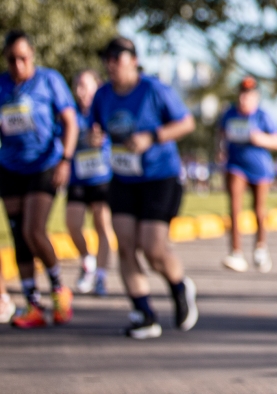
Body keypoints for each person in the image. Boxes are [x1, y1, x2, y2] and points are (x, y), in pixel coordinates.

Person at [91, 36, 198, 339]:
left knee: (152, 248)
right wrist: (94, 137)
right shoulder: (102, 95)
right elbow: (95, 128)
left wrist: (152, 137)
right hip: (123, 178)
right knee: (125, 245)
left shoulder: (154, 89)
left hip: (160, 177)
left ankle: (179, 286)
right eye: (107, 58)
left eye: (117, 57)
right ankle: (144, 313)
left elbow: (186, 123)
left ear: (134, 60)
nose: (111, 64)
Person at [0, 30, 79, 329]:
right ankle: (32, 304)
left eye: (23, 58)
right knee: (18, 235)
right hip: (10, 166)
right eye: (11, 59)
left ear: (32, 55)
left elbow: (70, 121)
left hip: (45, 164)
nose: (18, 65)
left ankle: (59, 289)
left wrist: (66, 159)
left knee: (34, 229)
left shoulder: (49, 80)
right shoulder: (2, 85)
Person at [219, 77, 277, 273]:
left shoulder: (263, 116)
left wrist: (261, 139)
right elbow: (221, 135)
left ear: (256, 96)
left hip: (260, 168)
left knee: (259, 210)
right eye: (242, 94)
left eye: (248, 95)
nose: (244, 98)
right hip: (236, 165)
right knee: (234, 207)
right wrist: (220, 150)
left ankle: (260, 248)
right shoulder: (229, 114)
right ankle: (236, 252)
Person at [66, 69, 115, 296]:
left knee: (102, 225)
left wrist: (103, 138)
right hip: (78, 178)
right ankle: (88, 261)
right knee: (73, 224)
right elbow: (61, 137)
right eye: (78, 86)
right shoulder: (71, 114)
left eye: (86, 86)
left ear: (98, 87)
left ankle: (101, 277)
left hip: (103, 177)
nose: (81, 91)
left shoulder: (107, 108)